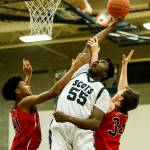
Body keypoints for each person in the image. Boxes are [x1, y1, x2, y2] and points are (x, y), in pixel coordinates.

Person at [49, 18, 118, 150]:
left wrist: (68, 118)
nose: (97, 62)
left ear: (105, 75)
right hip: (60, 129)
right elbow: (90, 44)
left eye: (102, 63)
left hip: (81, 133)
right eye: (99, 60)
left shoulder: (102, 92)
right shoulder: (81, 72)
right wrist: (109, 28)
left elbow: (95, 123)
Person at [54, 50, 140, 150]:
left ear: (120, 98)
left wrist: (95, 54)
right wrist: (124, 65)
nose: (118, 91)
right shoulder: (124, 114)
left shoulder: (109, 107)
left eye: (119, 92)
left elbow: (93, 83)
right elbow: (124, 88)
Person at [1, 53, 86, 150]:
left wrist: (28, 75)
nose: (28, 86)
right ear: (17, 91)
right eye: (24, 85)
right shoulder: (25, 102)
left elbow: (23, 93)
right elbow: (54, 92)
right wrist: (74, 68)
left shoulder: (19, 105)